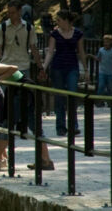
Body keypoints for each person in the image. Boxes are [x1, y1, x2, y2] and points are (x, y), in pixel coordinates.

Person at [39, 9, 87, 137]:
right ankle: (60, 126)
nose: (57, 22)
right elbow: (50, 51)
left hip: (72, 67)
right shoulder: (54, 34)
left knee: (72, 95)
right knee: (59, 98)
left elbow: (81, 51)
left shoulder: (78, 34)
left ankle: (73, 125)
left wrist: (86, 69)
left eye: (59, 20)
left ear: (66, 20)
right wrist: (44, 67)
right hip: (57, 67)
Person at [0, 0, 39, 79]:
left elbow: (34, 49)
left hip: (23, 67)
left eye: (13, 13)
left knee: (25, 90)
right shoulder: (2, 28)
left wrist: (40, 67)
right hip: (6, 66)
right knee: (2, 90)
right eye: (9, 13)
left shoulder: (29, 28)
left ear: (19, 11)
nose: (10, 15)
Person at [92, 34, 112, 102]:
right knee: (101, 86)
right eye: (105, 42)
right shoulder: (101, 50)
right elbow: (98, 58)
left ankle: (110, 101)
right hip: (102, 71)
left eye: (108, 42)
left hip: (110, 72)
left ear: (111, 42)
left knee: (110, 87)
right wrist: (91, 56)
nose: (106, 43)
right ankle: (99, 100)